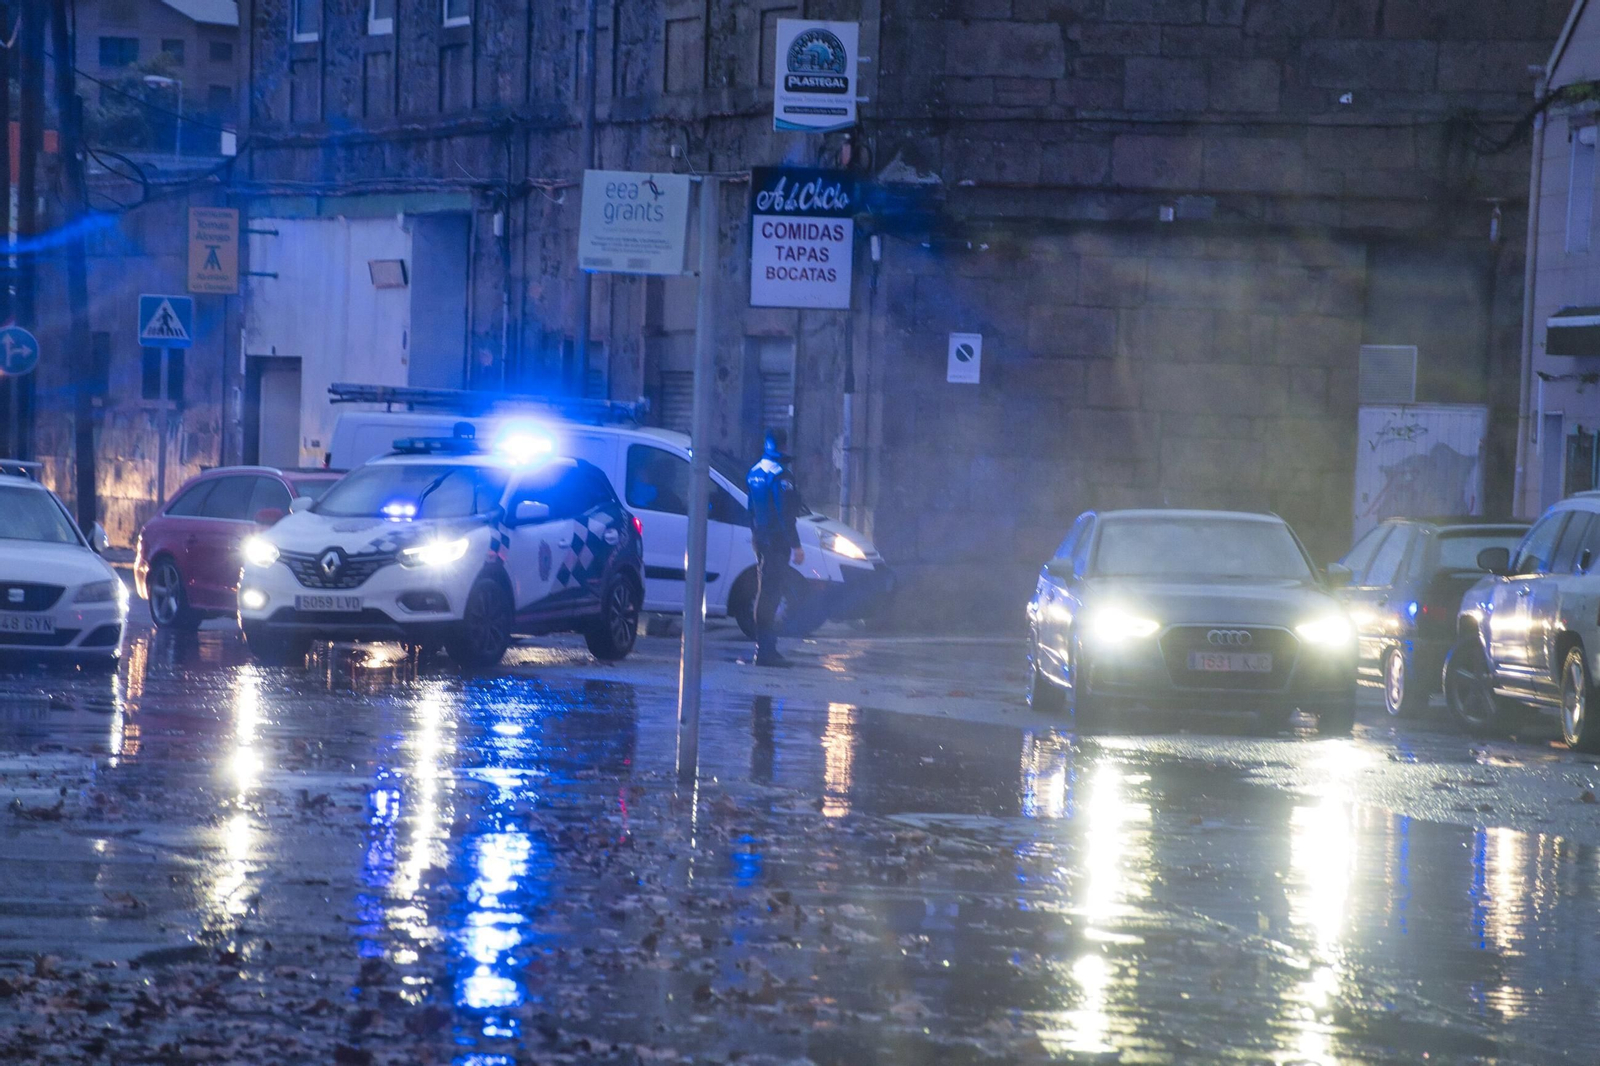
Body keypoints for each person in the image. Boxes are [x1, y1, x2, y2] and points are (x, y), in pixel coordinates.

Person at [746, 428, 805, 666]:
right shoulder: (780, 476)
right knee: (771, 595)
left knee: (766, 593)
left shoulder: (754, 473)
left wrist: (755, 535)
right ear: (783, 445)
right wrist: (796, 545)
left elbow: (751, 510)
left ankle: (765, 648)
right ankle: (765, 651)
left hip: (761, 540)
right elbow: (785, 514)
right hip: (777, 542)